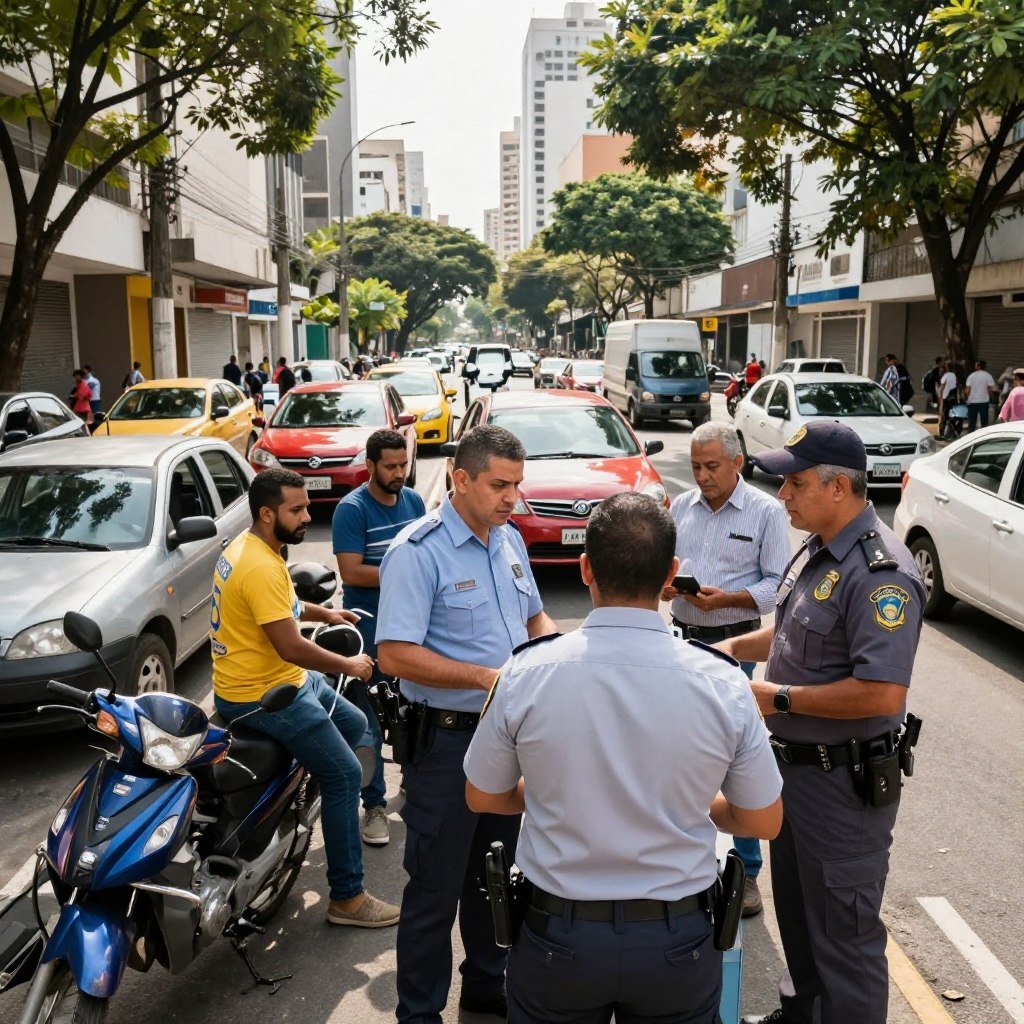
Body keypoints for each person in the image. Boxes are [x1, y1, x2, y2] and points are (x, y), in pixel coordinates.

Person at [465, 492, 783, 1024]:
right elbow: (763, 821)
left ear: (585, 567)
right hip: (676, 942)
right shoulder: (723, 682)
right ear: (671, 575)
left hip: (556, 938)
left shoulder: (524, 673)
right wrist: (692, 803)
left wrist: (553, 793)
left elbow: (482, 794)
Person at [725, 421, 925, 1024]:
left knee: (846, 938)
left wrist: (776, 699)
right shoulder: (818, 546)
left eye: (796, 481)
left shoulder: (880, 575)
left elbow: (881, 693)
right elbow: (790, 632)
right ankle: (803, 1012)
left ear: (839, 488)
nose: (782, 494)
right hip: (794, 778)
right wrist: (730, 649)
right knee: (799, 917)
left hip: (842, 790)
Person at [376, 425, 557, 1024]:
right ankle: (419, 1013)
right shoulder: (417, 551)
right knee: (433, 890)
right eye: (499, 485)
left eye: (517, 485)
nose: (512, 498)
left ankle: (485, 986)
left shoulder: (509, 543)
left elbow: (536, 621)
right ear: (460, 479)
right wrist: (484, 677)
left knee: (496, 877)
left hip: (507, 742)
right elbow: (394, 654)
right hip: (446, 742)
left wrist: (567, 660)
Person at [210, 468, 400, 928]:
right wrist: (351, 665)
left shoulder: (252, 548)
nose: (307, 516)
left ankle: (315, 807)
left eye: (306, 507)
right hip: (263, 695)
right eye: (297, 510)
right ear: (266, 512)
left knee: (356, 726)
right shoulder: (258, 565)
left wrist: (325, 611)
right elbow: (292, 645)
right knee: (344, 773)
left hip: (284, 678)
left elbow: (284, 608)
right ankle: (348, 898)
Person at [662, 421, 790, 918]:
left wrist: (730, 599)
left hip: (735, 643)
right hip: (682, 636)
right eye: (695, 466)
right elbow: (667, 569)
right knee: (682, 745)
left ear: (737, 463)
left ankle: (748, 870)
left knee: (735, 750)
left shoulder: (765, 512)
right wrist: (667, 587)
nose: (702, 476)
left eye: (711, 466)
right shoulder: (680, 507)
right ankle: (685, 849)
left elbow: (779, 586)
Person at [332, 429, 426, 846]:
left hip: (413, 630)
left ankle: (411, 790)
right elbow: (352, 572)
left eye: (402, 464)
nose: (399, 473)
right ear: (369, 466)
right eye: (390, 466)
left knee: (415, 714)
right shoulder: (351, 510)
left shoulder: (414, 502)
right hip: (368, 633)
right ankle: (373, 805)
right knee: (368, 723)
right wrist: (405, 573)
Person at [964, 359, 996, 432]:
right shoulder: (988, 375)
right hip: (984, 401)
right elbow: (990, 389)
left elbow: (968, 390)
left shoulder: (971, 376)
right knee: (984, 421)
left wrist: (968, 398)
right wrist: (990, 397)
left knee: (972, 422)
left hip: (972, 402)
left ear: (978, 366)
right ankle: (983, 435)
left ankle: (970, 436)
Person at [936, 361, 959, 436]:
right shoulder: (955, 376)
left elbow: (942, 387)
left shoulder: (946, 375)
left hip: (945, 398)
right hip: (952, 399)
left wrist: (940, 396)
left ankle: (941, 432)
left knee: (943, 416)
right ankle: (951, 432)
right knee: (951, 416)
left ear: (947, 367)